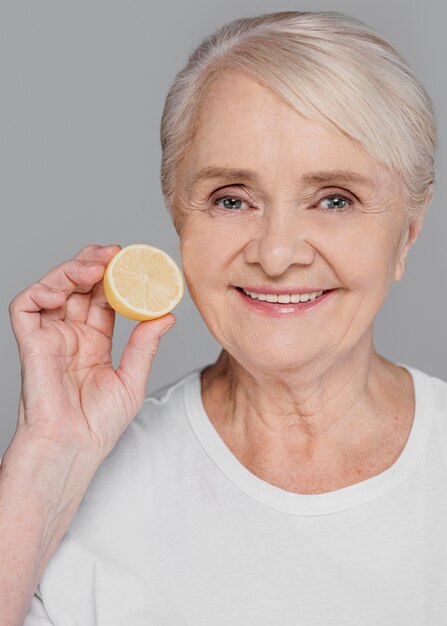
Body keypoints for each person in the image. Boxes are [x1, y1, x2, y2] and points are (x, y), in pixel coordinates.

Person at [2, 9, 445, 625]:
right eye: (231, 199)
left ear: (409, 230)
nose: (276, 252)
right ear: (179, 217)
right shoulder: (63, 503)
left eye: (335, 199)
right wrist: (47, 463)